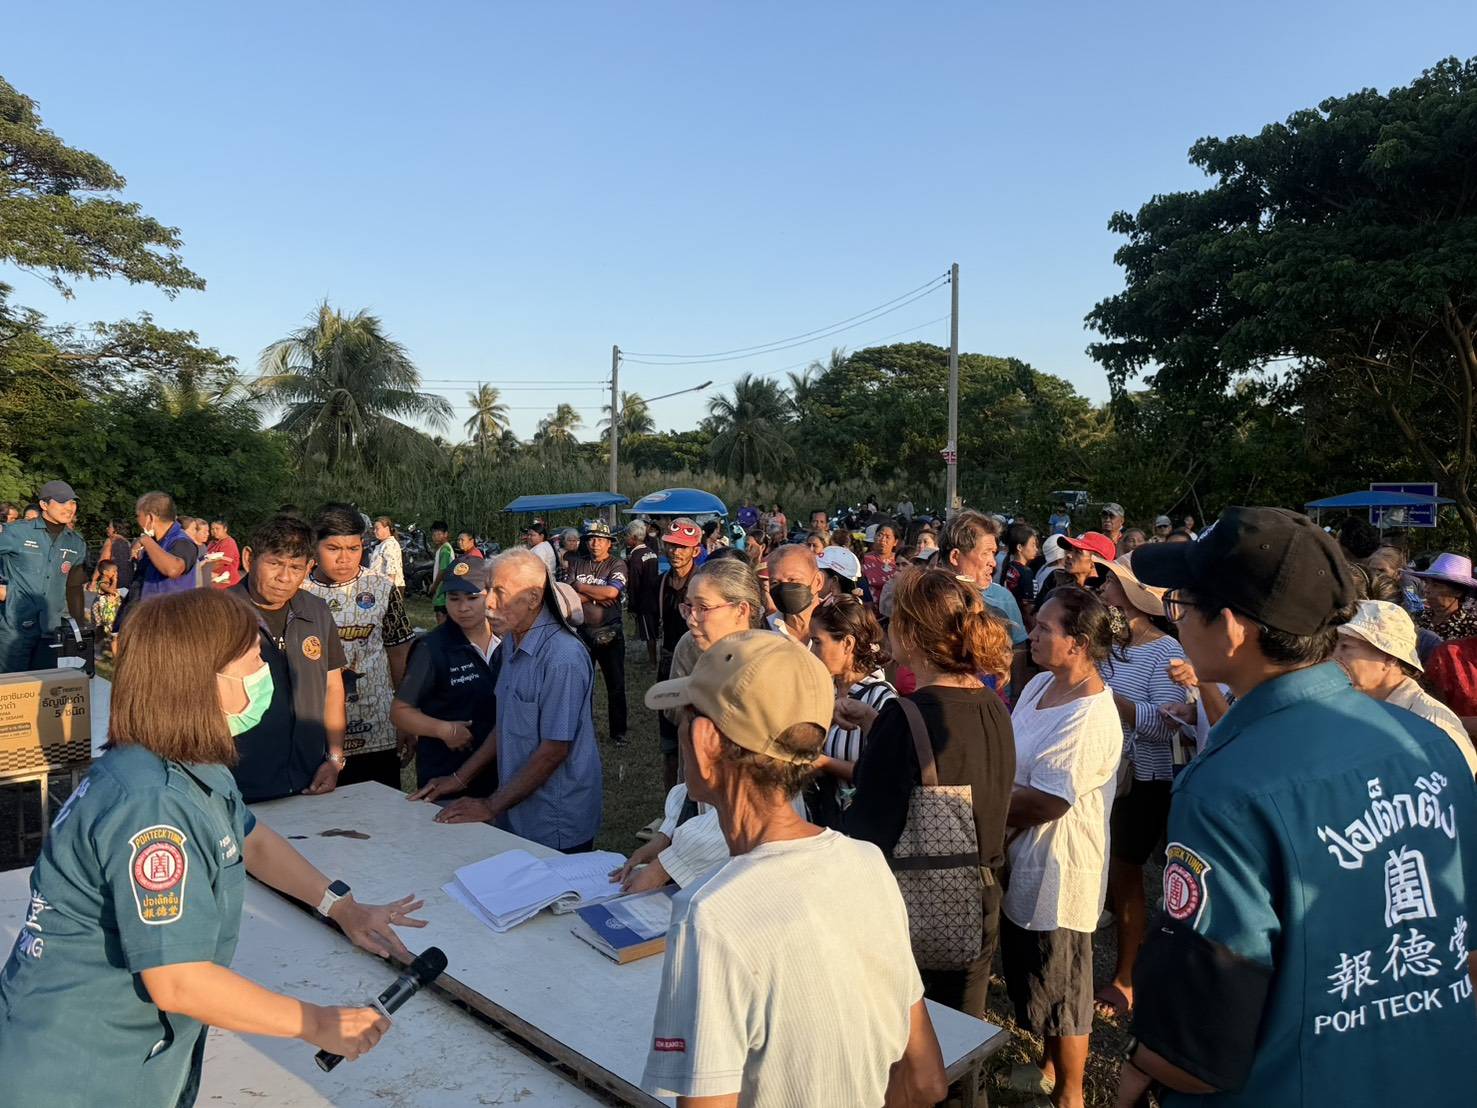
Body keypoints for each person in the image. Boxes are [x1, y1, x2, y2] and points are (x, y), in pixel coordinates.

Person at [0, 588, 426, 1107]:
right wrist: (315, 1022)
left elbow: (250, 840)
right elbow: (178, 981)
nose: (266, 672)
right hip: (83, 1073)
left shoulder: (181, 759)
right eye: (253, 659)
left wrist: (342, 908)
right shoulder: (152, 804)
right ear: (201, 681)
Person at [1117, 507, 1477, 1107]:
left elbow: (1199, 1041)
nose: (1175, 621)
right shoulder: (1433, 745)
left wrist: (1140, 1064)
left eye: (1181, 604)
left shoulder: (1228, 785)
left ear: (1231, 628)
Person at [639, 631, 948, 1108]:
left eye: (685, 719)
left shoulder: (712, 915)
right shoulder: (866, 863)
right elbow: (926, 1082)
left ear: (705, 743)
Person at [843, 568, 1016, 1020]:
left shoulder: (905, 716)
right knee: (962, 1030)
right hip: (981, 895)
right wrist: (874, 725)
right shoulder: (993, 705)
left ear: (911, 634)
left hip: (918, 903)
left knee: (908, 1032)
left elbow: (869, 830)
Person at [1005, 586, 1125, 1108]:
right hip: (1024, 853)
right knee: (1038, 972)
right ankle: (1048, 1066)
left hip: (1061, 864)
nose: (1032, 634)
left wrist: (985, 807)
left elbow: (1048, 801)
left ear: (1078, 644)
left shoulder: (1089, 714)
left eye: (1045, 628)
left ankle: (1071, 1095)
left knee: (1066, 984)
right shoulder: (1039, 685)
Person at [412, 549, 603, 851]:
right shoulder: (512, 642)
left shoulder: (562, 657)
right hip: (515, 810)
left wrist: (490, 805)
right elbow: (506, 724)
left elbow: (554, 750)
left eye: (500, 592)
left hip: (554, 819)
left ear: (533, 598)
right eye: (488, 590)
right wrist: (459, 779)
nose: (488, 603)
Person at [613, 557, 769, 894]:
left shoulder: (770, 672)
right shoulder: (691, 647)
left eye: (703, 608)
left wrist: (663, 867)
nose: (692, 618)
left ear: (741, 610)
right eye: (688, 607)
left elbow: (747, 802)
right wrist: (667, 835)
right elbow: (698, 789)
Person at [1091, 557, 1189, 1022]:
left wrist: (1104, 695)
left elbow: (1165, 725)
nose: (1103, 588)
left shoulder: (1167, 650)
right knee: (1111, 869)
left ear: (1134, 596)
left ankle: (1127, 977)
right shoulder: (1109, 644)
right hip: (1104, 772)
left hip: (1143, 780)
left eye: (1111, 582)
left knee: (1126, 874)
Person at [229, 515, 349, 803]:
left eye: (295, 568)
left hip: (309, 779)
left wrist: (334, 757)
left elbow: (333, 686)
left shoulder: (317, 612)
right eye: (274, 563)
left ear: (309, 567)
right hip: (238, 783)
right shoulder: (217, 614)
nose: (284, 577)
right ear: (249, 558)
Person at [300, 505, 417, 789]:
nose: (344, 559)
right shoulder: (298, 591)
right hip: (314, 731)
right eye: (333, 548)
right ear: (314, 545)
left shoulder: (381, 588)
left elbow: (400, 654)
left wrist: (406, 716)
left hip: (376, 726)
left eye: (353, 548)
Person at [392, 557, 500, 796]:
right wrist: (444, 730)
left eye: (472, 598)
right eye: (454, 598)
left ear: (491, 595)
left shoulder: (508, 641)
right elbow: (400, 712)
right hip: (447, 776)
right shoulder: (431, 648)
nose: (463, 607)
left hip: (502, 777)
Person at [1334, 600, 1477, 776]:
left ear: (1389, 657)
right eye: (1334, 647)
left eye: (1346, 647)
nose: (1335, 657)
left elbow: (1455, 785)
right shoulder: (1349, 708)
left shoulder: (1432, 723)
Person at [807, 594, 896, 829]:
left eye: (818, 642)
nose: (812, 651)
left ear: (847, 644)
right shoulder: (822, 690)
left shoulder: (881, 699)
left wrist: (823, 763)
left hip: (863, 828)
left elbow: (882, 772)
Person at [0, 479, 87, 672]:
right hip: (14, 631)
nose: (69, 508)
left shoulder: (76, 542)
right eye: (62, 502)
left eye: (72, 502)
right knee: (11, 687)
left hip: (51, 632)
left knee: (45, 687)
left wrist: (79, 625)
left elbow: (74, 587)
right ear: (44, 504)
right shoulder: (17, 532)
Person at [938, 510, 1029, 691]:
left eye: (994, 553)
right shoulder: (924, 604)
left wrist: (1016, 696)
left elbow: (1018, 649)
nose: (993, 563)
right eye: (986, 553)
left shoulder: (1001, 603)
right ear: (955, 556)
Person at [563, 518, 629, 747]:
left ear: (609, 543)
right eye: (591, 539)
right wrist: (595, 595)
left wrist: (581, 588)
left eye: (600, 540)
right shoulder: (576, 563)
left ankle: (618, 733)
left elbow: (612, 592)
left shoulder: (617, 564)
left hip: (610, 633)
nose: (595, 544)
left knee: (616, 685)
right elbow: (567, 594)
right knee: (582, 685)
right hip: (582, 633)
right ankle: (584, 730)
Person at [655, 518, 702, 792]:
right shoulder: (661, 582)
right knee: (669, 747)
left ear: (696, 550)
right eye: (671, 545)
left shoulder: (703, 584)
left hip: (698, 666)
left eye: (683, 547)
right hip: (668, 665)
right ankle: (671, 803)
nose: (675, 552)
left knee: (697, 742)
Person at [129, 492, 199, 604]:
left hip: (169, 612)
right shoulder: (156, 542)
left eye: (138, 515)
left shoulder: (182, 542)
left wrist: (146, 540)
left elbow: (173, 569)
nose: (137, 520)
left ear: (150, 518)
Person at [1035, 531, 1113, 610]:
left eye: (1078, 552)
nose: (1068, 555)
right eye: (1069, 550)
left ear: (1096, 561)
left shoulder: (1106, 594)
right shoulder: (1056, 578)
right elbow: (1036, 612)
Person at [1410, 552, 1477, 641]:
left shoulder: (1470, 628)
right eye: (1426, 583)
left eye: (1436, 585)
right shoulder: (1418, 618)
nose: (1426, 590)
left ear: (1458, 592)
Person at [766, 543, 825, 643]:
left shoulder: (841, 625)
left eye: (793, 579)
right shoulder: (764, 629)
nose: (784, 588)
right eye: (775, 582)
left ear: (818, 582)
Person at [624, 519, 661, 666]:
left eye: (626, 536)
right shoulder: (651, 552)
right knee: (654, 630)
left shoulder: (635, 557)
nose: (625, 539)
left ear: (633, 538)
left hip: (643, 600)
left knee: (648, 633)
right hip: (655, 596)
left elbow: (633, 584)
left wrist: (632, 606)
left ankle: (652, 662)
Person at [1002, 522, 1041, 623]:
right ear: (1019, 547)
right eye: (1033, 545)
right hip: (1022, 621)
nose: (1036, 549)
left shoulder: (1009, 566)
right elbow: (1027, 607)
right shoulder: (1025, 572)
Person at [860, 522, 901, 611]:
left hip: (894, 612)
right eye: (880, 535)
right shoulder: (863, 560)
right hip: (869, 612)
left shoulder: (900, 561)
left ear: (895, 542)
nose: (883, 540)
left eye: (888, 537)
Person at [88, 561, 123, 647]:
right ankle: (98, 645)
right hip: (102, 608)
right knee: (100, 627)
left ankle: (107, 642)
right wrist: (115, 580)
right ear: (105, 572)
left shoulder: (108, 581)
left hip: (108, 607)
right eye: (113, 571)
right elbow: (111, 590)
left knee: (109, 625)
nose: (115, 573)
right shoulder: (102, 583)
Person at [368, 517, 405, 592]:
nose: (374, 531)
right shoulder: (383, 543)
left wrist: (388, 589)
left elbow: (392, 568)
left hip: (389, 588)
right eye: (374, 529)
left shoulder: (390, 544)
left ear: (387, 529)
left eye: (377, 528)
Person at [427, 521, 454, 622]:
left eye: (439, 534)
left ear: (446, 534)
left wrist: (434, 587)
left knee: (441, 616)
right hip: (442, 589)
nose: (435, 537)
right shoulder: (443, 548)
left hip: (442, 591)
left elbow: (443, 570)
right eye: (434, 535)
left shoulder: (445, 550)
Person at [205, 519, 241, 588]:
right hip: (214, 582)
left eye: (217, 529)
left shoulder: (228, 542)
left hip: (227, 583)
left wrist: (205, 570)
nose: (214, 531)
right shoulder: (212, 542)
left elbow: (223, 561)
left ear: (225, 529)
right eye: (212, 529)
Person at [101, 518, 134, 590]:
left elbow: (103, 561)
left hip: (114, 581)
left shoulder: (111, 540)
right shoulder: (128, 543)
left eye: (109, 527)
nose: (107, 528)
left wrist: (93, 580)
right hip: (128, 581)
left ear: (116, 530)